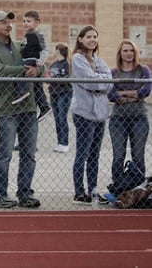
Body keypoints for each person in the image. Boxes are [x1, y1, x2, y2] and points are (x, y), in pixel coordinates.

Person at [0, 10, 42, 209]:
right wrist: (24, 70)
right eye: (3, 22)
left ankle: (25, 194)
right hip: (7, 108)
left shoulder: (19, 46)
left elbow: (38, 64)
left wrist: (36, 70)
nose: (8, 25)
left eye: (9, 22)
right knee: (5, 153)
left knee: (29, 154)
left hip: (28, 107)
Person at [70, 25, 112, 205]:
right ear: (80, 39)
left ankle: (93, 189)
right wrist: (99, 80)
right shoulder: (77, 59)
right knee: (83, 153)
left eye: (95, 36)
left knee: (94, 155)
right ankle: (79, 192)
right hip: (84, 113)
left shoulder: (98, 59)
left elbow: (109, 81)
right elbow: (90, 83)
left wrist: (99, 79)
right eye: (89, 37)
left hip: (100, 114)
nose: (92, 40)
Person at [107, 39, 150, 188]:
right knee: (118, 156)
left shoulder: (143, 70)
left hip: (139, 118)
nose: (129, 53)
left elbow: (146, 91)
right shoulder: (113, 72)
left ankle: (138, 189)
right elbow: (111, 95)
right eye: (125, 50)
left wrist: (123, 94)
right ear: (120, 53)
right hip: (118, 119)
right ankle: (118, 187)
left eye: (131, 50)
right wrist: (134, 94)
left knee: (138, 156)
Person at [20, 11, 51, 120]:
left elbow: (44, 49)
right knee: (38, 86)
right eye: (24, 21)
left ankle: (23, 91)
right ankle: (44, 107)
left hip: (31, 60)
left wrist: (41, 60)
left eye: (28, 21)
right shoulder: (27, 35)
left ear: (37, 22)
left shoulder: (38, 36)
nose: (25, 23)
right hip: (26, 59)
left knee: (20, 71)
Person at [49, 43, 73, 153]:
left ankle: (65, 143)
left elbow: (65, 79)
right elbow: (49, 76)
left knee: (62, 117)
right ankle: (59, 142)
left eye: (55, 50)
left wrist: (55, 80)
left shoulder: (66, 64)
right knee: (57, 118)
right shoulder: (54, 64)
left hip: (64, 93)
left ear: (58, 50)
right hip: (54, 93)